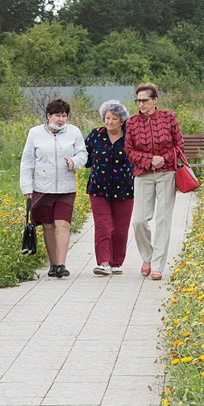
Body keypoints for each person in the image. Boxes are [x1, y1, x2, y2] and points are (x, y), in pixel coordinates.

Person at [20, 97, 87, 279]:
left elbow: (83, 154)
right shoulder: (35, 133)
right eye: (57, 115)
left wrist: (74, 162)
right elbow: (27, 161)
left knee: (63, 225)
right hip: (43, 187)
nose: (61, 119)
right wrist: (27, 186)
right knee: (48, 226)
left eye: (64, 116)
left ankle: (62, 265)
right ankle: (52, 264)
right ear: (48, 116)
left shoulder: (74, 132)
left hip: (66, 186)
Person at [124, 82, 184, 281]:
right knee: (139, 220)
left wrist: (163, 159)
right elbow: (129, 150)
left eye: (145, 100)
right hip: (142, 173)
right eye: (138, 100)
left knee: (163, 219)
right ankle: (147, 257)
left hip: (167, 173)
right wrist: (149, 160)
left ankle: (158, 265)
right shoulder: (132, 123)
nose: (141, 104)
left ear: (155, 100)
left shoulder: (168, 117)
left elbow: (179, 145)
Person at [84, 100, 134, 276]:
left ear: (122, 121)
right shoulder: (95, 135)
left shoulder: (130, 137)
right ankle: (103, 262)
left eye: (114, 118)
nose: (109, 121)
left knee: (120, 227)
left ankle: (116, 262)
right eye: (107, 118)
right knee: (103, 225)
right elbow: (84, 156)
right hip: (98, 188)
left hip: (125, 189)